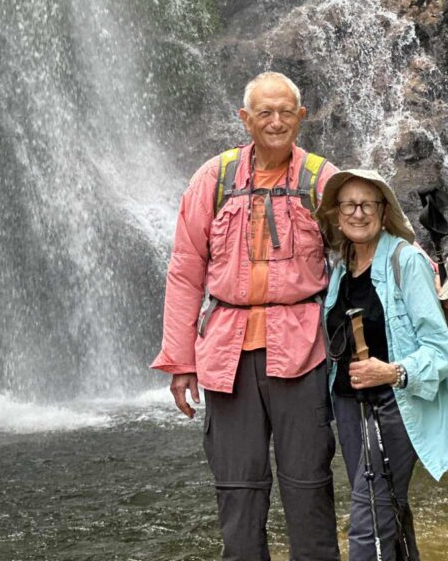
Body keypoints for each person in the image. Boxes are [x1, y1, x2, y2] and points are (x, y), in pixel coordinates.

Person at [151, 71, 341, 561]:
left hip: (302, 351)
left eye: (285, 112)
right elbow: (185, 270)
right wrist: (180, 361)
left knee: (309, 486)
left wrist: (430, 276)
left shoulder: (322, 178)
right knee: (238, 492)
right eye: (264, 112)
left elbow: (370, 241)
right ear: (245, 119)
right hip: (226, 356)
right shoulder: (213, 179)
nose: (275, 122)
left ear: (302, 117)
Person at [316, 168, 448, 561]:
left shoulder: (405, 261)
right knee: (388, 505)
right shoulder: (341, 269)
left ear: (383, 209)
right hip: (349, 406)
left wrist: (392, 371)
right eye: (348, 205)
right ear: (337, 215)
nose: (358, 213)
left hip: (394, 404)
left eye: (367, 204)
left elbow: (439, 349)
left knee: (369, 518)